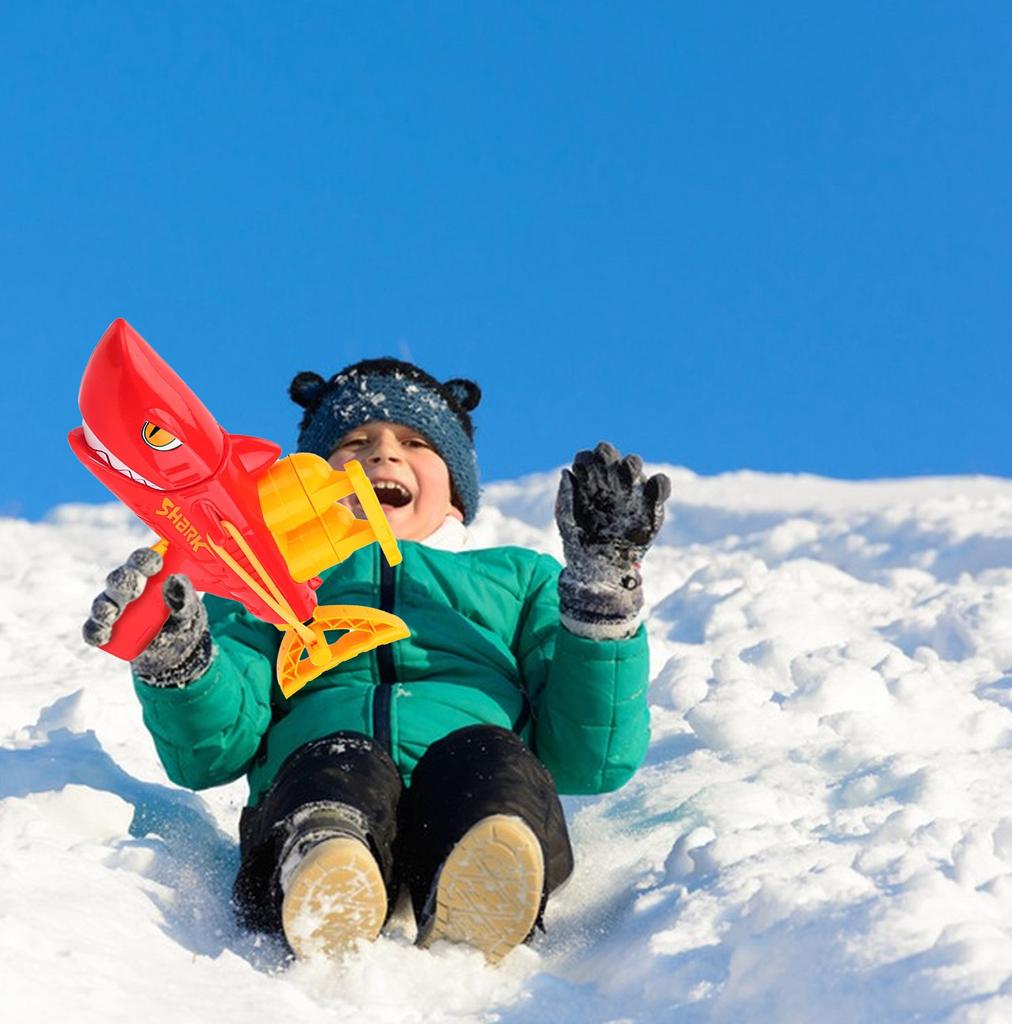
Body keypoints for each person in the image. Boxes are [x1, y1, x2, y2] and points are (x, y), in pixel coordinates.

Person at [84, 358, 670, 964]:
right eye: (354, 442)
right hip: (312, 792)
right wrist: (180, 660)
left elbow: (589, 759)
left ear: (457, 492)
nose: (382, 456)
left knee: (489, 757)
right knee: (338, 758)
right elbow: (214, 751)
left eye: (415, 442)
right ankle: (326, 859)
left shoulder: (517, 578)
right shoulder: (261, 581)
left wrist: (601, 595)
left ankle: (487, 869)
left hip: (486, 791)